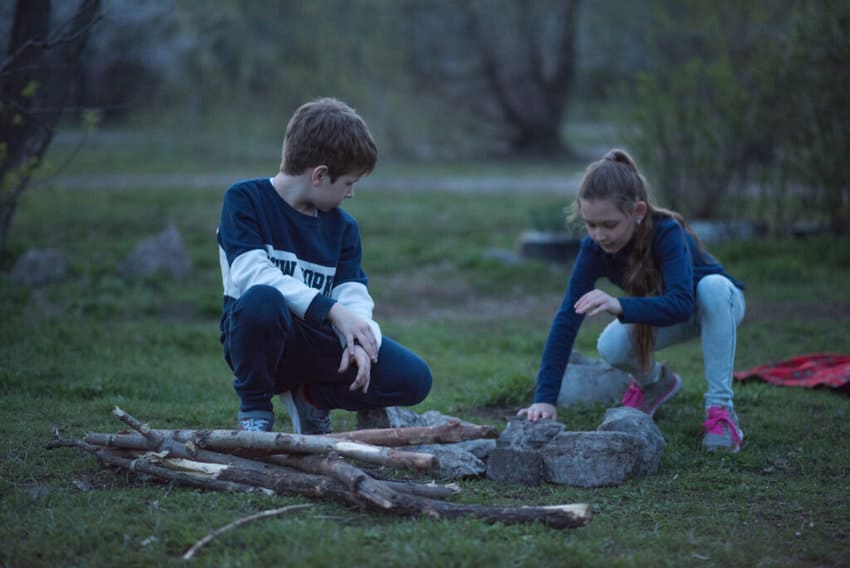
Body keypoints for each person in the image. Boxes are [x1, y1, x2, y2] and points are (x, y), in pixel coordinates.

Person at [217, 97, 432, 434]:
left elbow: (353, 292)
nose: (350, 194)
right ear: (319, 175)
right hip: (260, 341)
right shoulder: (244, 200)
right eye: (349, 183)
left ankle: (311, 398)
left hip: (318, 342)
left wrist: (359, 342)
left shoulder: (343, 228)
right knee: (263, 299)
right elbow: (250, 272)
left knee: (414, 378)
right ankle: (255, 411)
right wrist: (332, 310)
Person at [518, 149, 746, 453]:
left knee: (713, 286)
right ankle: (654, 383)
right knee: (610, 345)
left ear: (637, 212)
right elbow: (566, 319)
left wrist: (621, 306)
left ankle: (720, 410)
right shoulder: (593, 249)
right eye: (590, 224)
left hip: (717, 308)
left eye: (609, 225)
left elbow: (680, 304)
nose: (599, 235)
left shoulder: (667, 233)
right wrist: (545, 397)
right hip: (664, 314)